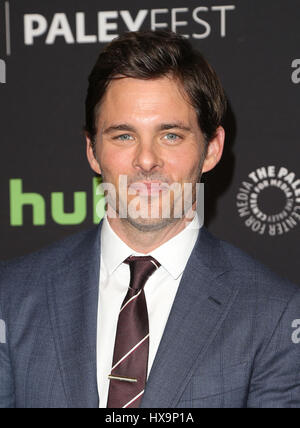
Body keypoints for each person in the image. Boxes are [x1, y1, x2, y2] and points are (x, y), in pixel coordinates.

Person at [0, 30, 300, 409]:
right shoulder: (10, 298)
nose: (146, 160)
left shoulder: (276, 315)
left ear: (211, 149)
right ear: (92, 151)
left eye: (171, 136)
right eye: (123, 136)